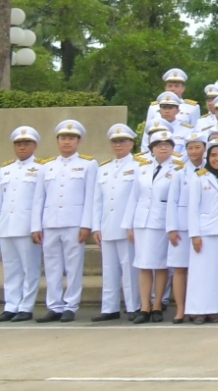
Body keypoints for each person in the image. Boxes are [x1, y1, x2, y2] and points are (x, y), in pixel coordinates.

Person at [33, 119, 97, 322]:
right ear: (57, 141)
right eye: (63, 138)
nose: (66, 142)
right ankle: (54, 306)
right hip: (50, 222)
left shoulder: (88, 164)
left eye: (71, 138)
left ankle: (71, 305)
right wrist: (36, 225)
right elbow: (38, 199)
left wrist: (86, 224)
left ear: (78, 141)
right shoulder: (47, 166)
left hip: (74, 223)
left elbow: (90, 197)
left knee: (73, 266)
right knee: (51, 266)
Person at [92, 124, 142, 323]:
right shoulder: (103, 168)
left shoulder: (138, 166)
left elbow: (138, 199)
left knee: (130, 269)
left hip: (126, 226)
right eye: (115, 141)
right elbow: (97, 201)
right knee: (109, 268)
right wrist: (96, 226)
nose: (118, 145)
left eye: (123, 141)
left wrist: (132, 224)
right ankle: (109, 307)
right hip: (107, 226)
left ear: (131, 143)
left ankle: (133, 306)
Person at [183, 142, 218, 323]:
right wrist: (194, 235)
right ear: (208, 157)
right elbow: (192, 208)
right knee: (200, 273)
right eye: (214, 155)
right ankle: (198, 310)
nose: (217, 158)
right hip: (204, 231)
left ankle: (214, 309)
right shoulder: (199, 177)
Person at [129, 130, 179, 323]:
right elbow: (134, 198)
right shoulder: (141, 169)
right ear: (151, 149)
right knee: (143, 265)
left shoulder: (177, 169)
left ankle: (157, 305)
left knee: (160, 266)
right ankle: (144, 306)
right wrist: (129, 225)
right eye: (158, 144)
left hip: (162, 223)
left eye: (167, 143)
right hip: (142, 221)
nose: (163, 147)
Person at [1, 126, 44, 322]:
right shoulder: (5, 169)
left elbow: (39, 201)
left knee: (30, 268)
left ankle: (26, 306)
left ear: (34, 145)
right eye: (18, 143)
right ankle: (11, 305)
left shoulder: (41, 168)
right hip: (6, 225)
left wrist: (36, 226)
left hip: (27, 226)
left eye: (26, 143)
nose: (22, 147)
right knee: (11, 268)